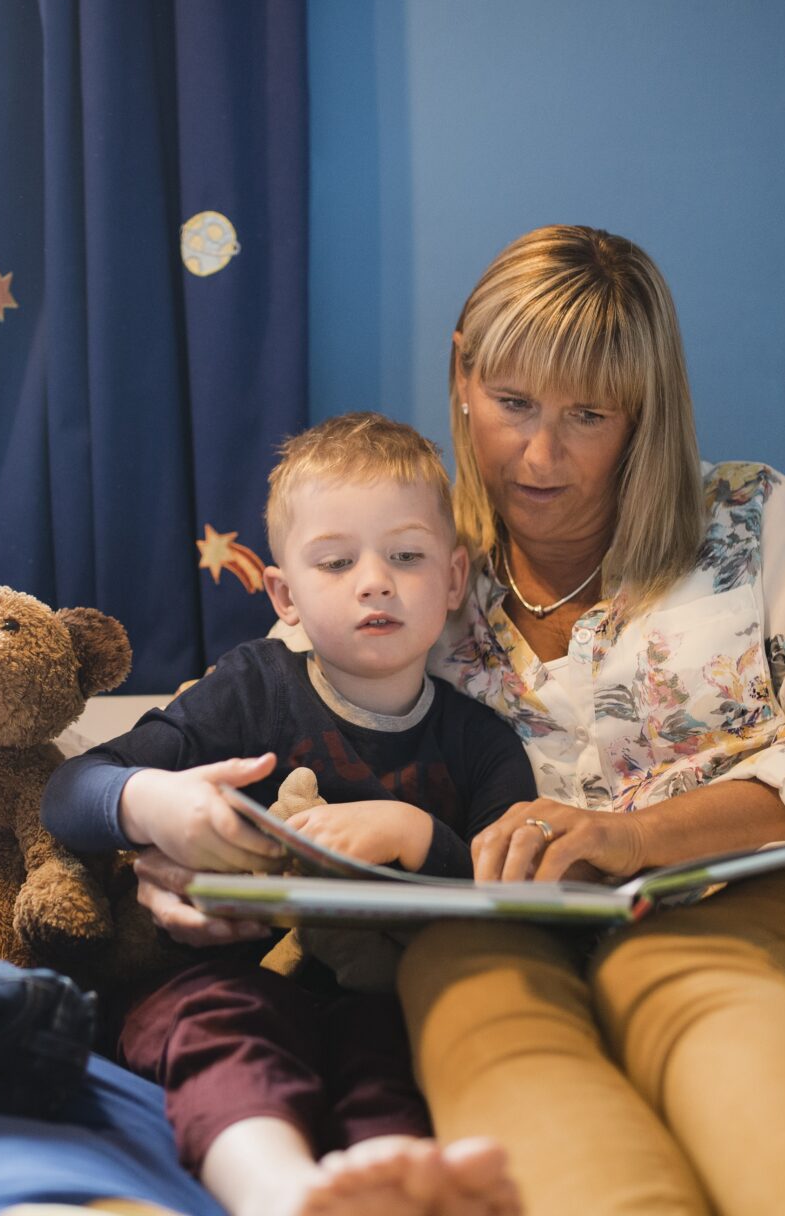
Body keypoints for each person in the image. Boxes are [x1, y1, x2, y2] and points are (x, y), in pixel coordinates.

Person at [131, 227, 785, 1216]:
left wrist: (632, 838)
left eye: (587, 415)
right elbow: (264, 728)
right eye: (512, 404)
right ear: (463, 372)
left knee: (672, 968)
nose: (540, 454)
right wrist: (184, 843)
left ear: (641, 411)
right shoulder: (410, 561)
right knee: (463, 981)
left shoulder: (746, 516)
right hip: (523, 935)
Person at [42, 412, 532, 1216]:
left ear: (452, 580)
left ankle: (386, 1185)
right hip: (222, 980)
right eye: (336, 562)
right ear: (285, 594)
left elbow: (512, 893)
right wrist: (155, 802)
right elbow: (70, 792)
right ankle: (276, 1191)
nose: (375, 580)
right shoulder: (252, 688)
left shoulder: (479, 743)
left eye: (405, 557)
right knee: (220, 1030)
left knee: (398, 1059)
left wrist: (418, 836)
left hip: (389, 1001)